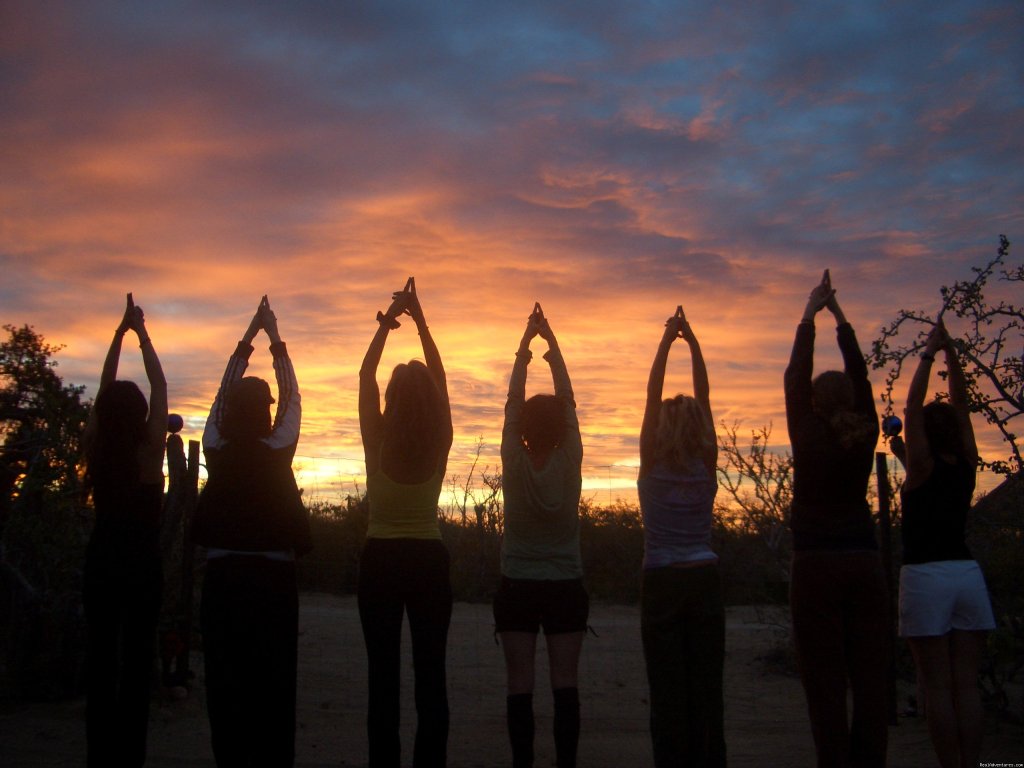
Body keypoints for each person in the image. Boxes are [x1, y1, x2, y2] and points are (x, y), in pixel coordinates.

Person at [192, 296, 311, 767]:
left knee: (225, 685)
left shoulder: (216, 446)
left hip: (222, 583)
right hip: (274, 585)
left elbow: (221, 397)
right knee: (275, 685)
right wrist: (273, 336)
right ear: (266, 410)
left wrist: (249, 338)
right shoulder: (278, 446)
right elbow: (294, 397)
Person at [784, 270, 889, 768]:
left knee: (823, 679)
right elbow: (862, 376)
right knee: (870, 675)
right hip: (863, 563)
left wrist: (810, 311)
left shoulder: (806, 433)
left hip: (815, 567)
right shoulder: (865, 432)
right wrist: (838, 315)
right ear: (850, 402)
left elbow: (793, 375)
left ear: (812, 403)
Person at [358, 278, 453, 768]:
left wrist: (388, 322)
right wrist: (420, 321)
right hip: (429, 563)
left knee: (383, 678)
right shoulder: (440, 436)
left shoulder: (377, 437)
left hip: (380, 562)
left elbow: (364, 374)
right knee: (431, 676)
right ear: (432, 403)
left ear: (392, 396)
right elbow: (439, 376)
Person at [898, 321, 995, 768]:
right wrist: (950, 354)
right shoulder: (966, 462)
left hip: (925, 575)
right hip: (966, 574)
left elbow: (912, 406)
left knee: (935, 684)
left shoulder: (920, 464)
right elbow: (961, 404)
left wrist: (926, 355)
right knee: (965, 685)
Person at [494, 304, 586, 768]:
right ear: (562, 430)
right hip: (566, 584)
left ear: (524, 429)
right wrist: (549, 343)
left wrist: (525, 351)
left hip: (517, 585)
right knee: (564, 680)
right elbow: (567, 402)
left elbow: (513, 403)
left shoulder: (513, 458)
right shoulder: (571, 459)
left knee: (520, 682)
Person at [82, 294, 167, 767]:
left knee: (100, 664)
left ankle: (99, 755)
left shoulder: (97, 447)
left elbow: (102, 390)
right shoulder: (149, 454)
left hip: (101, 562)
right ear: (138, 415)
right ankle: (130, 757)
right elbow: (159, 382)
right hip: (142, 569)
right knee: (135, 668)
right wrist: (141, 335)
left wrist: (119, 333)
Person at [637, 307, 725, 767]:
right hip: (704, 580)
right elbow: (705, 398)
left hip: (662, 584)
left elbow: (651, 397)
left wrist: (666, 341)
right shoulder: (706, 460)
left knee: (666, 690)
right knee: (706, 691)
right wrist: (690, 342)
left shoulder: (650, 461)